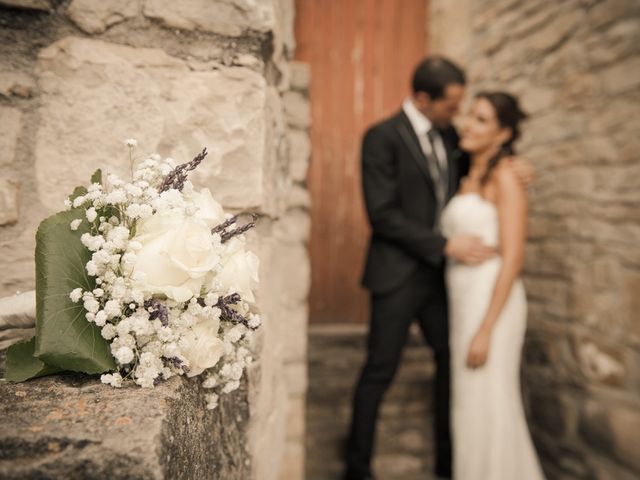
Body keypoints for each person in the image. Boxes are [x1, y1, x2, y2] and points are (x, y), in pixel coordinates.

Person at [344, 56, 534, 480]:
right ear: (422, 98)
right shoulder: (381, 137)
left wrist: (518, 164)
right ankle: (357, 470)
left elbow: (487, 177)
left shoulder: (454, 138)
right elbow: (383, 215)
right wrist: (445, 244)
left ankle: (453, 466)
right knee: (378, 371)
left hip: (444, 282)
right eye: (452, 105)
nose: (459, 115)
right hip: (395, 275)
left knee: (455, 370)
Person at [440, 92, 545, 480]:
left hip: (492, 304)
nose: (468, 124)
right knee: (470, 404)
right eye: (471, 115)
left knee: (492, 401)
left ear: (503, 134)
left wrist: (486, 329)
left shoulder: (506, 176)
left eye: (482, 120)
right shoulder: (465, 170)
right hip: (464, 301)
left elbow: (513, 256)